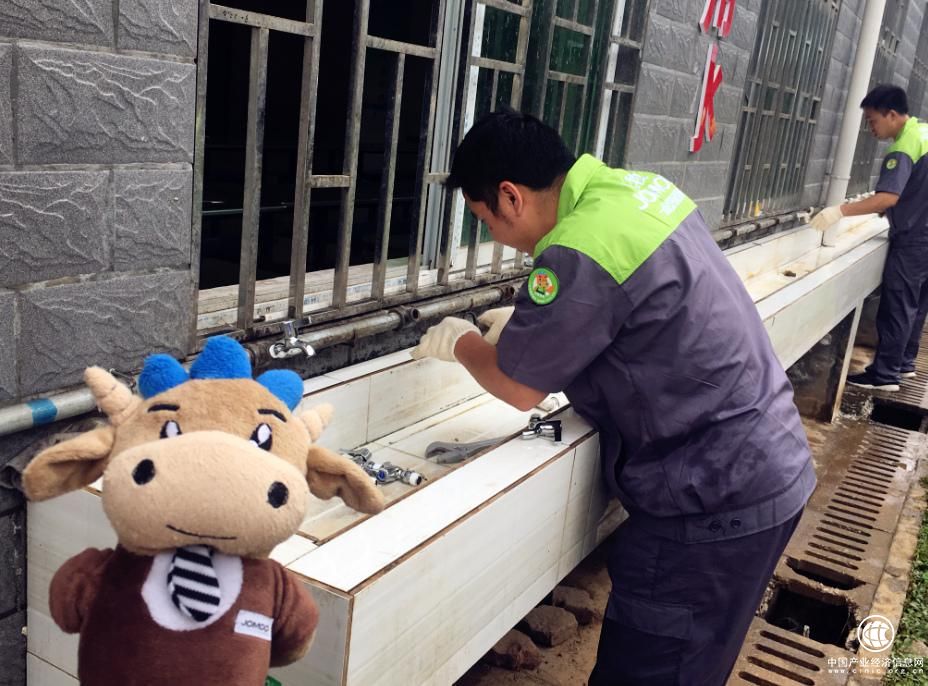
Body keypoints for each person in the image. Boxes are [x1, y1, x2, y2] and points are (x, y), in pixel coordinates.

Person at [411, 110, 815, 685]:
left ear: (509, 196)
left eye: (484, 220)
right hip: (767, 460)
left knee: (652, 670)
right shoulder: (639, 191)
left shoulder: (576, 248)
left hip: (710, 500)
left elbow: (520, 388)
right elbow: (636, 314)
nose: (493, 236)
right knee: (695, 664)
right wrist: (535, 329)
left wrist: (463, 342)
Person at [811, 85, 928, 392]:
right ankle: (905, 363)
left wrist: (839, 211)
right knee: (917, 304)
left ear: (892, 115)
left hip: (915, 240)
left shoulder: (904, 146)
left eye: (873, 120)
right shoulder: (924, 133)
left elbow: (887, 198)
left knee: (898, 304)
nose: (870, 128)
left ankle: (885, 375)